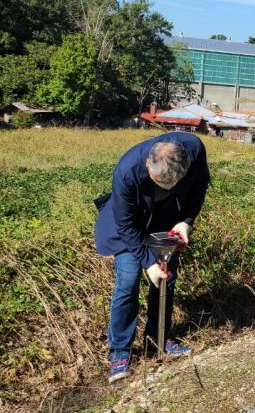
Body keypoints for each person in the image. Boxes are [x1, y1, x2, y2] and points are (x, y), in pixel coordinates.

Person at [94, 132, 210, 383]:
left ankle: (158, 340)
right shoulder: (127, 170)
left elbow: (200, 186)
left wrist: (186, 221)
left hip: (167, 220)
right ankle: (120, 352)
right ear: (148, 164)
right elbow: (125, 225)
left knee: (166, 280)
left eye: (171, 183)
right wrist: (148, 263)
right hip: (130, 228)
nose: (164, 187)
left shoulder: (194, 150)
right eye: (160, 182)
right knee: (128, 281)